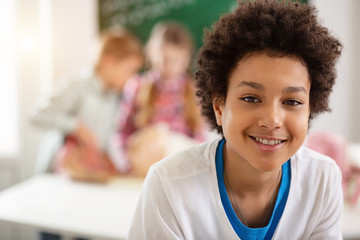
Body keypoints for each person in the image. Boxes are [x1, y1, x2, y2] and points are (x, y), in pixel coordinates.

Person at [128, 0, 343, 239]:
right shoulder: (169, 185)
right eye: (251, 98)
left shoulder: (323, 180)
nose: (272, 120)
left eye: (292, 102)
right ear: (219, 107)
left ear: (310, 109)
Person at [30, 28, 143, 183]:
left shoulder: (113, 97)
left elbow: (106, 140)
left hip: (84, 177)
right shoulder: (77, 86)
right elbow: (37, 114)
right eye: (129, 70)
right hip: (55, 177)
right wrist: (75, 126)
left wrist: (120, 166)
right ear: (108, 62)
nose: (131, 78)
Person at [117, 21, 206, 177]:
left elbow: (199, 137)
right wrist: (127, 160)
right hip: (145, 168)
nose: (169, 66)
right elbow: (123, 131)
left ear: (186, 59)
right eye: (164, 59)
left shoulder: (193, 91)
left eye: (176, 60)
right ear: (151, 53)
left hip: (180, 168)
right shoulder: (137, 86)